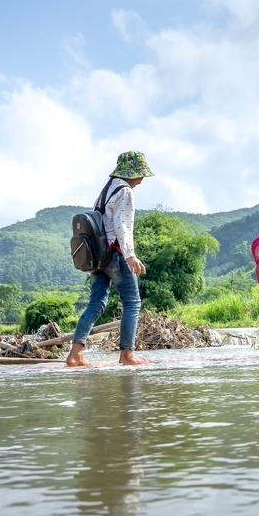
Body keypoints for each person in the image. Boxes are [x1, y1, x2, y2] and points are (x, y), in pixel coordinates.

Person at [66, 151, 154, 367]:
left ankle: (75, 354)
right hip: (114, 253)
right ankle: (127, 355)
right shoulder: (125, 191)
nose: (141, 180)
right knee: (132, 303)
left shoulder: (106, 190)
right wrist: (130, 255)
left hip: (98, 256)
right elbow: (121, 225)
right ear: (131, 173)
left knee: (96, 302)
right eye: (140, 175)